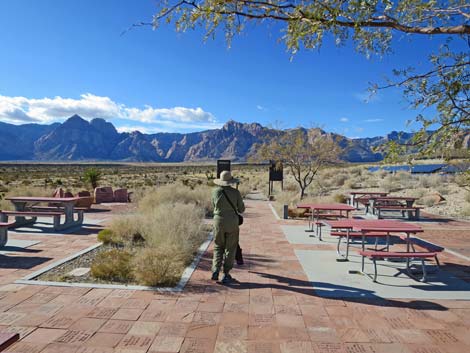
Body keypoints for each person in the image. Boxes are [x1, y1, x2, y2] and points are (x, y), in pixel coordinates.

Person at [211, 170, 245, 284]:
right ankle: (226, 273)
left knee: (217, 246)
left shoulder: (215, 192)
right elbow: (241, 209)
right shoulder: (235, 192)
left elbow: (213, 206)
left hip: (218, 221)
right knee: (230, 248)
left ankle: (215, 270)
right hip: (232, 222)